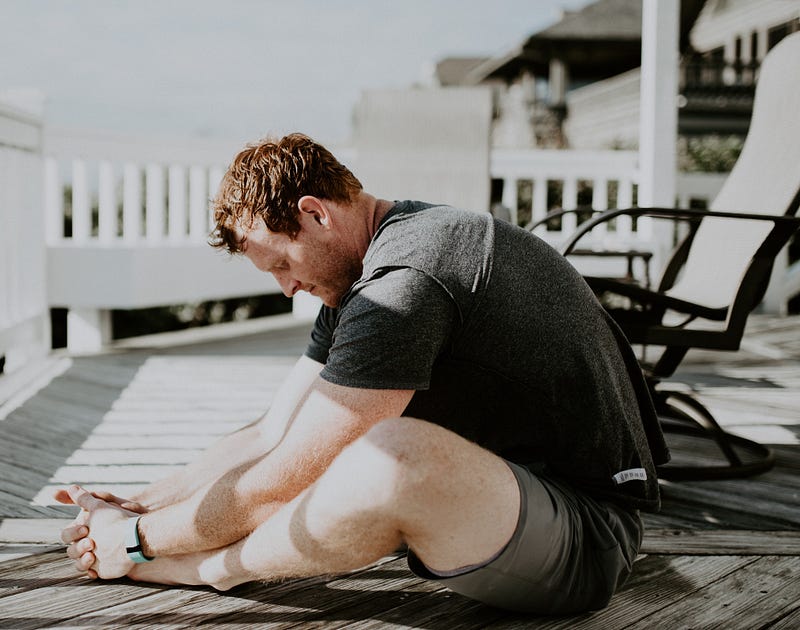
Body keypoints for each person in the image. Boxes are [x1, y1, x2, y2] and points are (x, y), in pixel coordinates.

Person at [57, 133, 669, 616]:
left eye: (281, 264)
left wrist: (140, 542)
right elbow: (272, 433)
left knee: (387, 457)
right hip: (499, 505)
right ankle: (176, 552)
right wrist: (137, 503)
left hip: (585, 536)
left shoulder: (407, 280)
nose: (287, 287)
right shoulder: (361, 277)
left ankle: (209, 570)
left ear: (314, 213)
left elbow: (286, 476)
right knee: (338, 445)